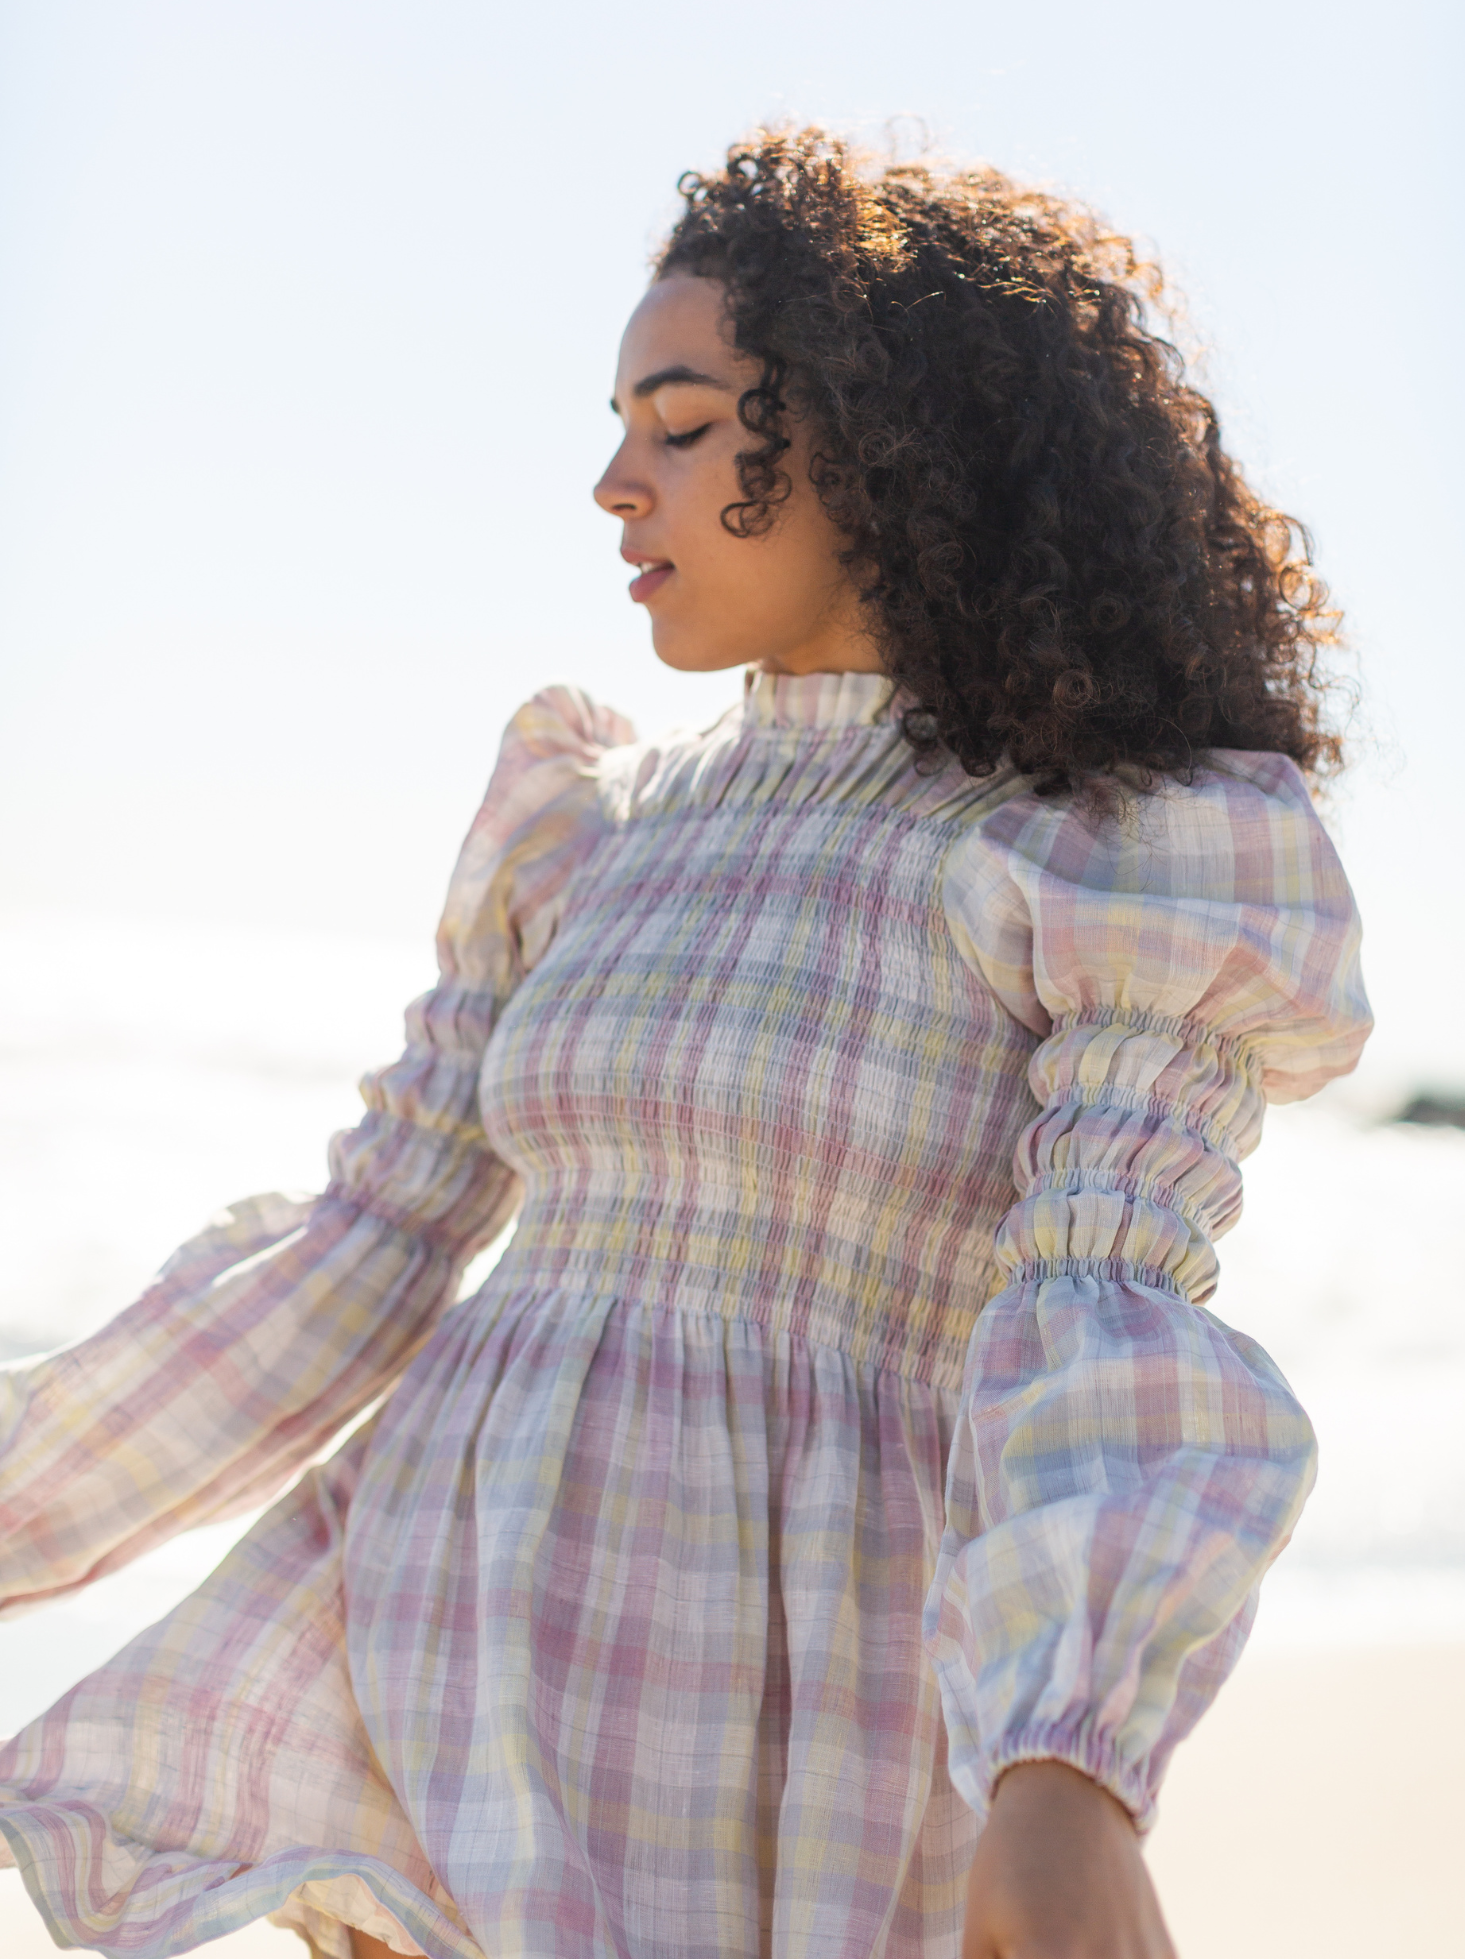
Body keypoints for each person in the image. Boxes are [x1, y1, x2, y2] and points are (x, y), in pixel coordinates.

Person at [0, 128, 1370, 1959]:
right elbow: (362, 1248)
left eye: (678, 419)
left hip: (796, 1745)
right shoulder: (590, 822)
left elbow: (1101, 1314)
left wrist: (1070, 1765)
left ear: (881, 446)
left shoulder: (1102, 851)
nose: (609, 482)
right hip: (433, 1690)